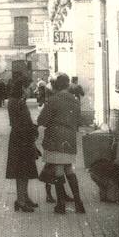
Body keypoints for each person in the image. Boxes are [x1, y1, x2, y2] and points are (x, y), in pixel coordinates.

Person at [37, 73, 85, 214]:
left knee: (58, 170)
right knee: (69, 168)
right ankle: (78, 203)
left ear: (55, 85)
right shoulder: (75, 100)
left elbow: (42, 120)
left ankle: (61, 204)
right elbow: (79, 121)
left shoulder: (53, 100)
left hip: (55, 137)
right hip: (69, 138)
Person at [6, 76, 41, 211]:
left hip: (21, 138)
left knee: (24, 171)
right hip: (21, 139)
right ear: (22, 88)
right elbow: (19, 122)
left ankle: (24, 197)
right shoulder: (17, 102)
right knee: (22, 171)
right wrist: (32, 129)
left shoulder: (17, 101)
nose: (30, 91)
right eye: (29, 88)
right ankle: (21, 200)